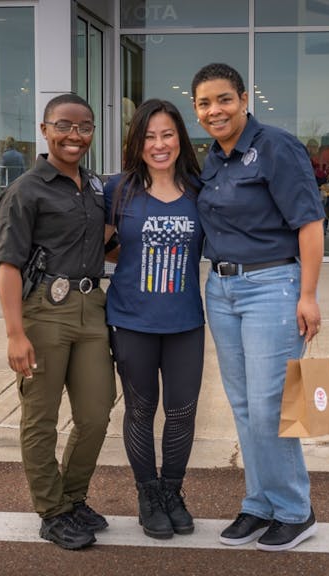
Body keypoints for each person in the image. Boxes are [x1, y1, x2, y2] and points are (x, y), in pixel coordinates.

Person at [191, 62, 324, 552]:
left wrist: (307, 295)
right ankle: (259, 502)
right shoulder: (212, 159)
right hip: (222, 290)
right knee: (245, 405)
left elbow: (310, 224)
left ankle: (295, 509)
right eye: (205, 103)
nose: (215, 110)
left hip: (273, 284)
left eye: (224, 99)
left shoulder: (276, 146)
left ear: (244, 99)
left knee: (273, 405)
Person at [0, 93, 115, 551]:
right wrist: (14, 333)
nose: (75, 136)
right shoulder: (27, 188)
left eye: (84, 127)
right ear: (44, 130)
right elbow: (8, 265)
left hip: (91, 308)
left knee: (96, 413)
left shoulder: (96, 186)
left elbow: (104, 244)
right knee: (41, 417)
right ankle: (51, 511)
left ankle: (73, 497)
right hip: (45, 310)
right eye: (64, 126)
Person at [103, 99, 204, 540]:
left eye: (166, 134)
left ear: (180, 137)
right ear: (136, 141)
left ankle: (172, 491)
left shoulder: (202, 190)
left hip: (185, 322)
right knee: (141, 410)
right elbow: (101, 246)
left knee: (182, 412)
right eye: (148, 136)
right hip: (131, 320)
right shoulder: (117, 190)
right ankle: (147, 494)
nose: (158, 144)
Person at [307, 135, 329, 233]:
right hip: (316, 181)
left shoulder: (327, 152)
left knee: (327, 203)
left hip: (325, 180)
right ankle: (320, 226)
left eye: (314, 147)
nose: (313, 149)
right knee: (319, 203)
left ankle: (324, 225)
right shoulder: (310, 156)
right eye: (311, 147)